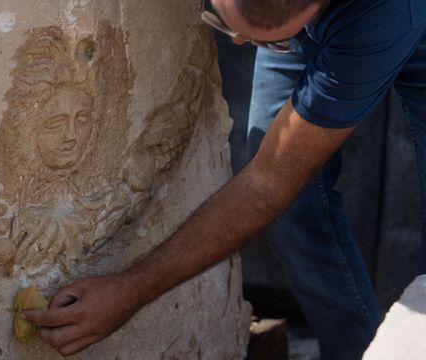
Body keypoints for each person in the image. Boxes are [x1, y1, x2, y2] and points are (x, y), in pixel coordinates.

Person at [21, 0, 426, 358]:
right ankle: (356, 349)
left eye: (260, 41)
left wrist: (130, 291)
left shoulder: (380, 19)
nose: (235, 44)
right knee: (293, 206)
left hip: (393, 22)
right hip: (312, 24)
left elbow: (268, 183)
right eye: (224, 23)